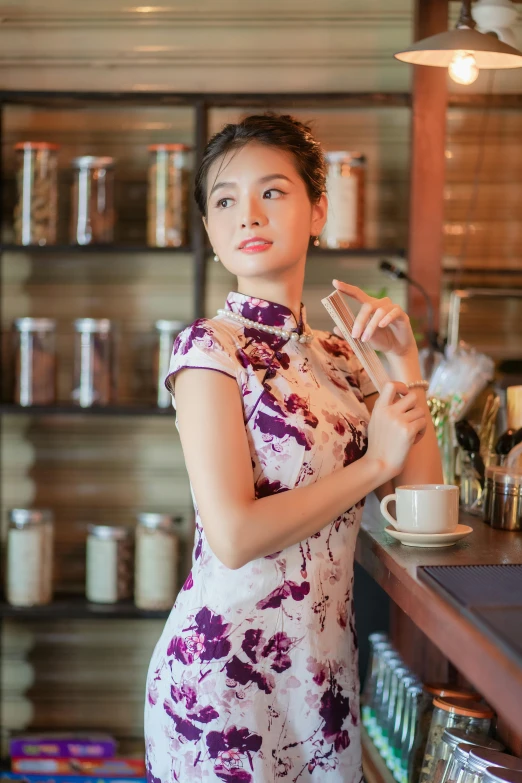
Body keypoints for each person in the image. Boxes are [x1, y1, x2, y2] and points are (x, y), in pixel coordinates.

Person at [144, 113, 442, 783]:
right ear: (212, 235)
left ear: (318, 212)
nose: (247, 213)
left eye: (272, 192)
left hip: (324, 679)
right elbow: (234, 533)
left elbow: (421, 507)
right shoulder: (208, 351)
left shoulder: (341, 355)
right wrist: (373, 465)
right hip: (222, 682)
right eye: (224, 201)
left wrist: (403, 359)